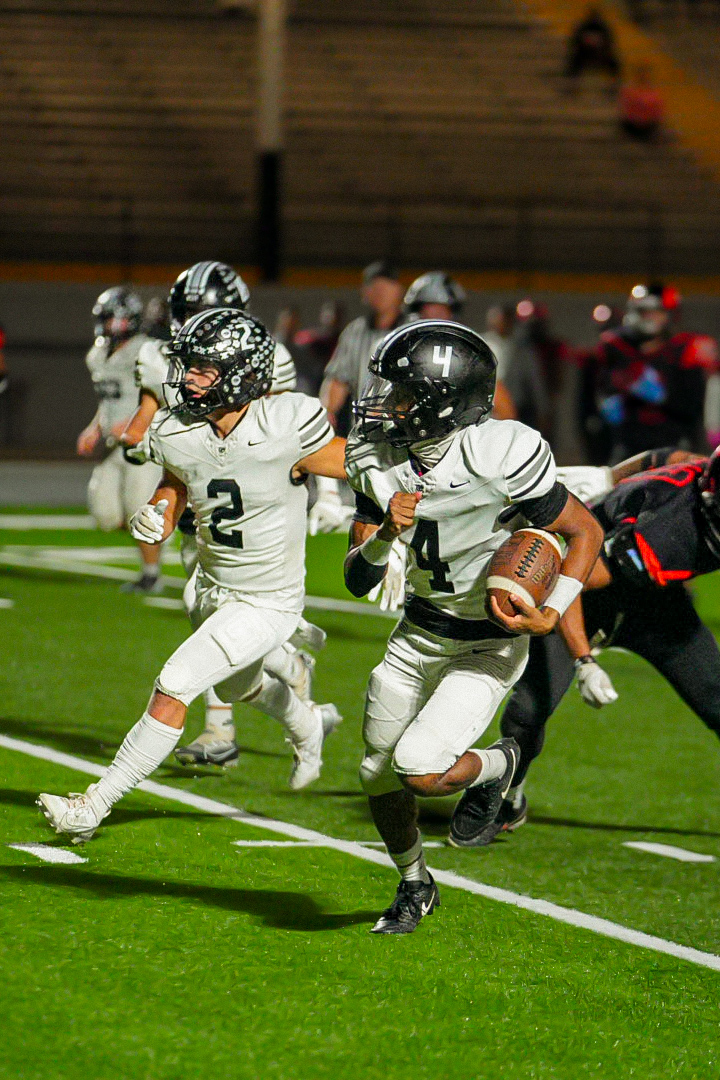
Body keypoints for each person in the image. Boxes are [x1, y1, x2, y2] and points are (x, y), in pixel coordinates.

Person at [38, 309, 347, 841]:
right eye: (189, 367)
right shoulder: (179, 429)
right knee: (242, 685)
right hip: (209, 585)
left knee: (174, 685)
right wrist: (159, 512)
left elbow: (358, 463)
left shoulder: (287, 422)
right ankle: (308, 723)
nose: (188, 379)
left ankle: (93, 805)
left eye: (204, 369)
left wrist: (386, 524)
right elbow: (178, 482)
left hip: (267, 598)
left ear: (242, 373)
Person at [344, 320, 603, 933]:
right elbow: (357, 579)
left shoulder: (498, 454)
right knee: (376, 773)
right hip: (416, 634)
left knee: (420, 769)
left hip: (487, 640)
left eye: (404, 395)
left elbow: (584, 531)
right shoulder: (375, 458)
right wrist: (385, 536)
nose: (387, 404)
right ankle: (414, 884)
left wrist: (553, 604)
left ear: (445, 406)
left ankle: (501, 764)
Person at [122, 261, 325, 769]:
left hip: (248, 497)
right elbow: (148, 423)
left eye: (207, 312)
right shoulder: (163, 358)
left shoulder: (264, 357)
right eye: (189, 313)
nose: (196, 324)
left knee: (217, 621)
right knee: (207, 612)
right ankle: (286, 663)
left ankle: (220, 728)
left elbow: (272, 431)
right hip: (198, 488)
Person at [473, 448, 720, 846]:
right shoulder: (668, 534)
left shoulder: (700, 471)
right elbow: (572, 578)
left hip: (655, 596)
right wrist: (583, 658)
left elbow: (659, 456)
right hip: (589, 589)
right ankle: (506, 796)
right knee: (530, 709)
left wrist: (609, 476)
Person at [77, 286, 165, 594]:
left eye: (119, 319)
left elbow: (165, 396)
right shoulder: (98, 354)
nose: (114, 325)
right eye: (109, 319)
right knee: (105, 513)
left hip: (145, 445)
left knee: (138, 510)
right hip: (116, 447)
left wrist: (135, 422)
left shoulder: (148, 351)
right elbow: (108, 401)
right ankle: (163, 528)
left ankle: (151, 574)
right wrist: (96, 428)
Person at [596, 283, 718, 462]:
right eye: (643, 311)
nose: (649, 317)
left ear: (669, 314)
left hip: (673, 443)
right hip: (628, 444)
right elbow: (601, 393)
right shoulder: (617, 348)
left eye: (656, 311)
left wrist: (662, 397)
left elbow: (692, 407)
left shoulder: (684, 349)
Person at [320, 260, 405, 432]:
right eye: (374, 287)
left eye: (385, 286)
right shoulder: (355, 331)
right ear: (364, 293)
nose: (380, 292)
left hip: (406, 431)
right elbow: (337, 380)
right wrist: (326, 413)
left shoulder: (412, 329)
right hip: (364, 432)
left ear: (399, 291)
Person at [564, 6, 621, 88]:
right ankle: (571, 85)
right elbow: (575, 41)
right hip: (584, 54)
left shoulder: (603, 28)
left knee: (614, 63)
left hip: (600, 54)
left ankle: (613, 85)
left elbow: (610, 43)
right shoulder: (583, 27)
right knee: (573, 61)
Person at [619, 64, 665, 142]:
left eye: (645, 75)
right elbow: (625, 110)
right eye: (641, 75)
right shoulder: (629, 91)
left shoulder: (654, 93)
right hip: (632, 125)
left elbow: (657, 112)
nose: (643, 77)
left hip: (649, 126)